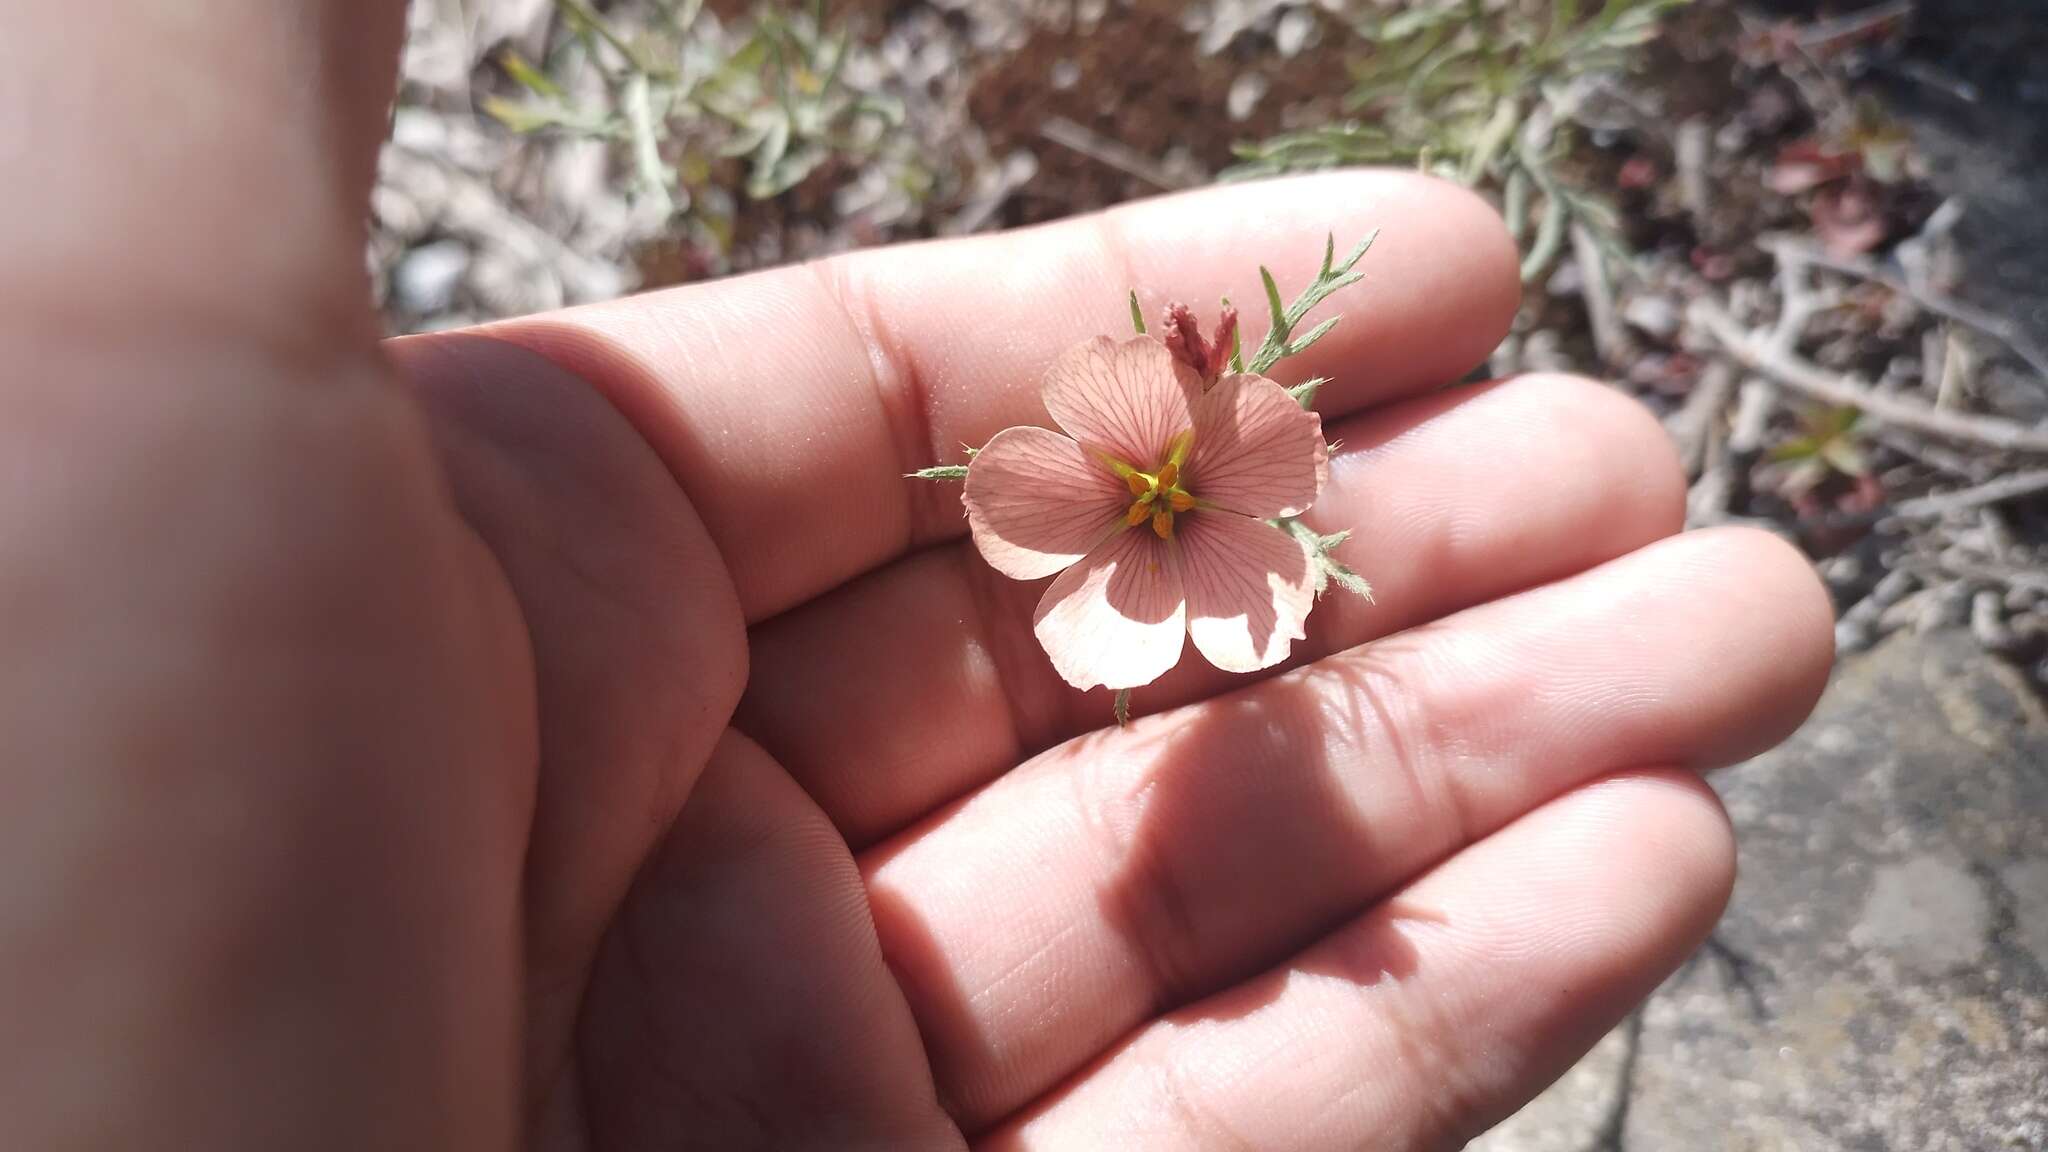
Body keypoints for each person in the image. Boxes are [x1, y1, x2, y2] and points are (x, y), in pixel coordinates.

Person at [0, 4, 1834, 1149]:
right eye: (1158, 470)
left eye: (1181, 465)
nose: (1170, 476)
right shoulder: (1098, 484)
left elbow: (1224, 498)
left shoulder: (1213, 488)